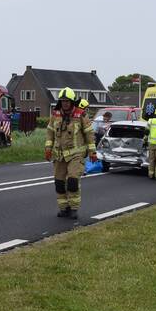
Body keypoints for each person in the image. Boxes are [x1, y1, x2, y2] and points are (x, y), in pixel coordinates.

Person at [45, 87, 97, 219]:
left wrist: (92, 151)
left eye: (67, 101)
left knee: (73, 181)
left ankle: (74, 208)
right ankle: (64, 208)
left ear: (72, 101)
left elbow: (89, 134)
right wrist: (48, 149)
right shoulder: (55, 114)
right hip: (59, 155)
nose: (65, 103)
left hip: (76, 154)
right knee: (59, 183)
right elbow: (50, 132)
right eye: (63, 101)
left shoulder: (81, 115)